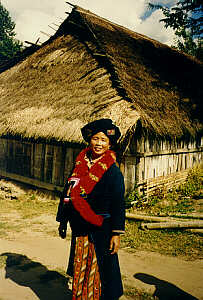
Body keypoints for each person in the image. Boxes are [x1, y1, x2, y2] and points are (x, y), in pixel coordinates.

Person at [56, 118, 125, 300]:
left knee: (99, 271)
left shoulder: (113, 171)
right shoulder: (79, 164)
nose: (99, 143)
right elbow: (68, 192)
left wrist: (116, 233)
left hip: (101, 228)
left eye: (103, 140)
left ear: (109, 144)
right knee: (81, 266)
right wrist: (63, 221)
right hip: (79, 227)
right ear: (90, 140)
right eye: (96, 138)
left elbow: (118, 203)